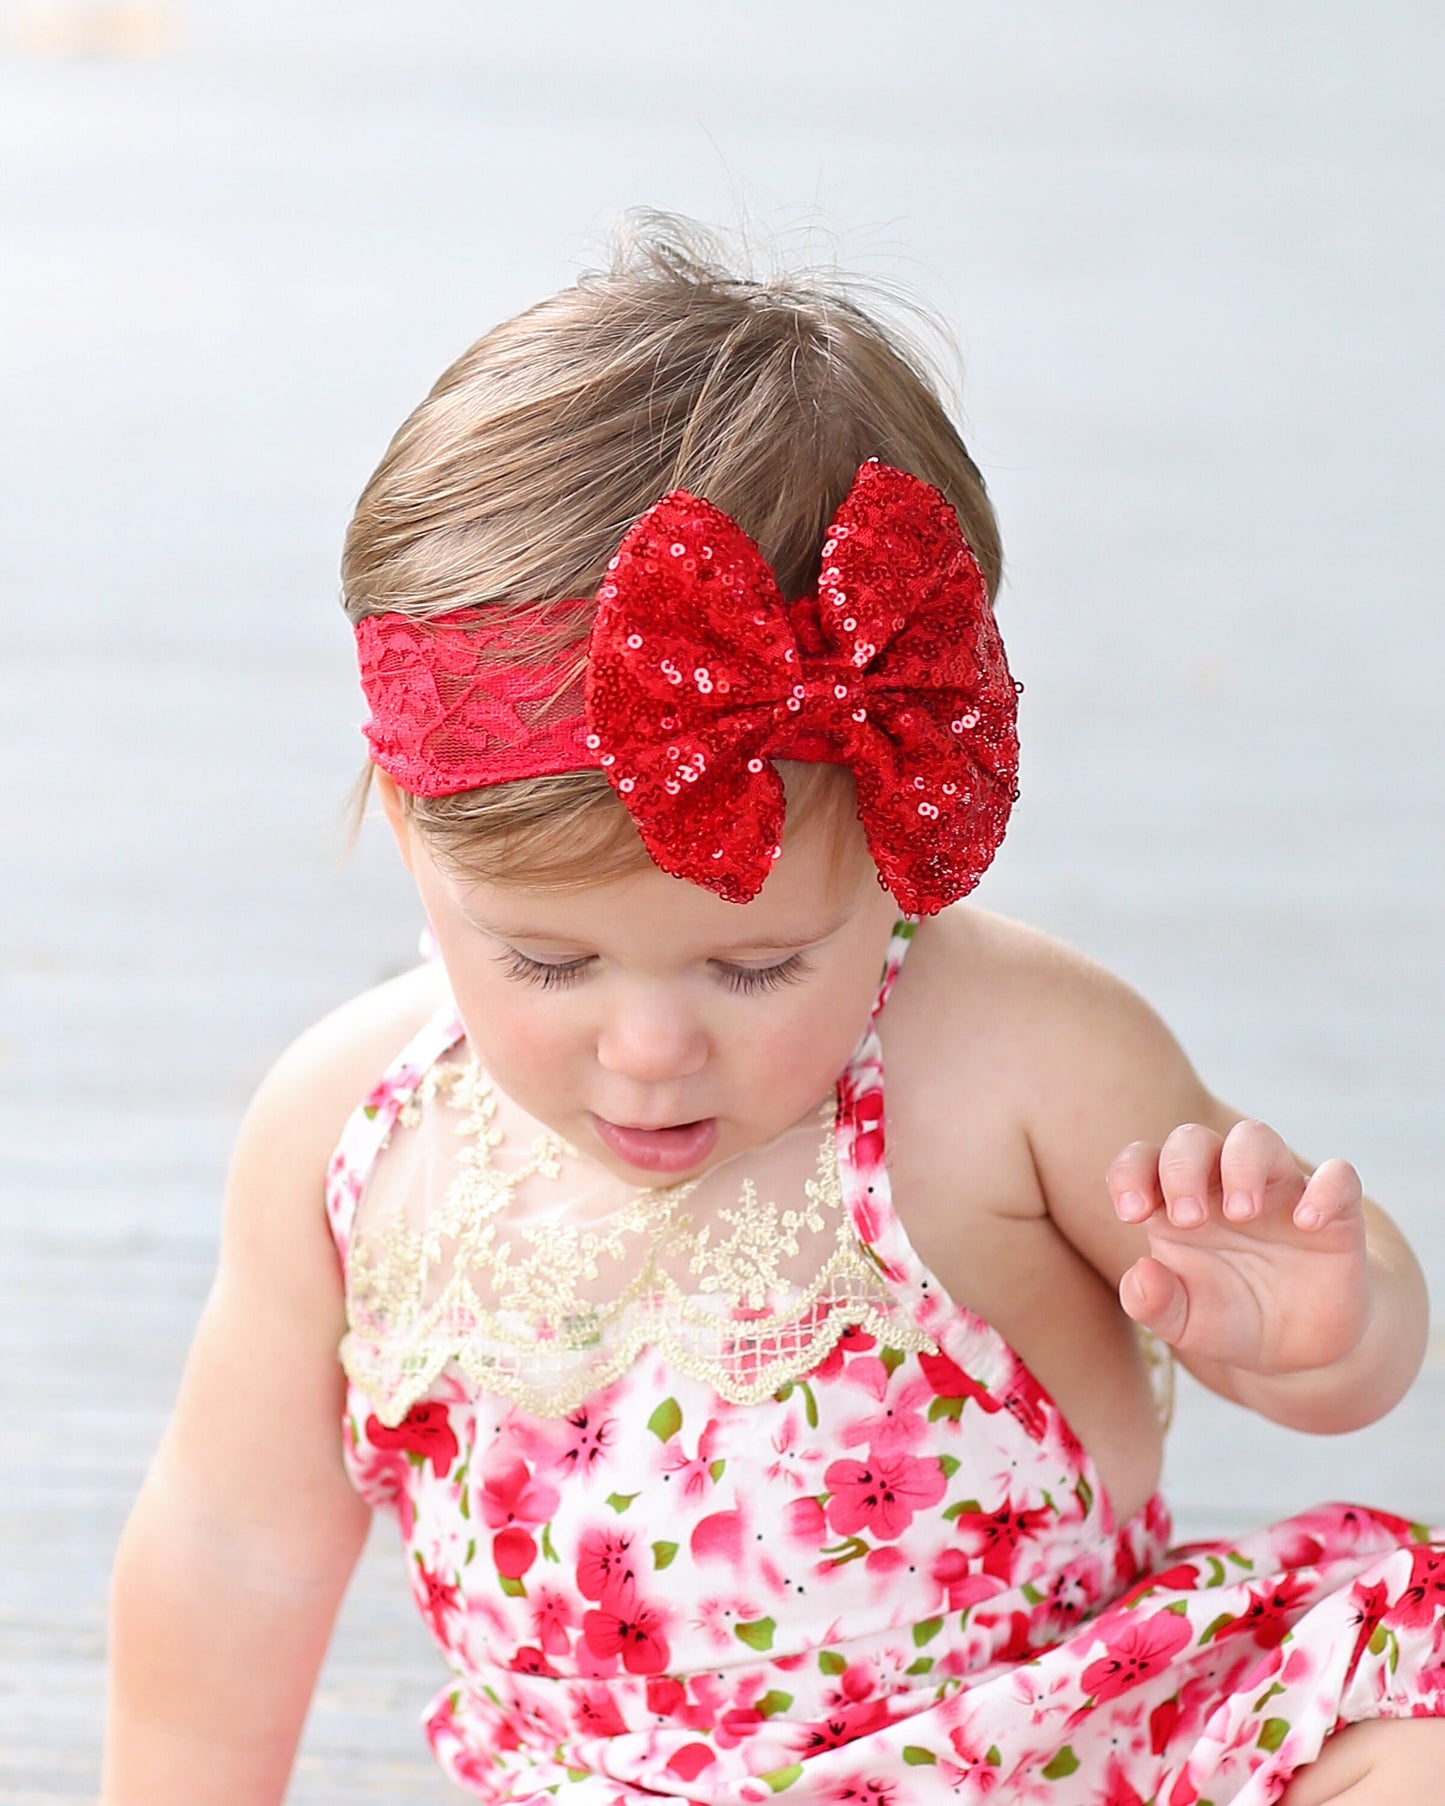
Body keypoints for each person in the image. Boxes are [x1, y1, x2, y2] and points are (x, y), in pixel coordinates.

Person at [103, 220, 1444, 1806]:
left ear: (901, 846)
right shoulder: (350, 1137)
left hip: (1082, 1753)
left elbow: (1335, 1355)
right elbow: (229, 1550)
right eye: (549, 961)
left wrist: (1322, 1327)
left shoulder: (1014, 1052)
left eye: (755, 966)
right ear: (408, 826)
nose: (653, 1044)